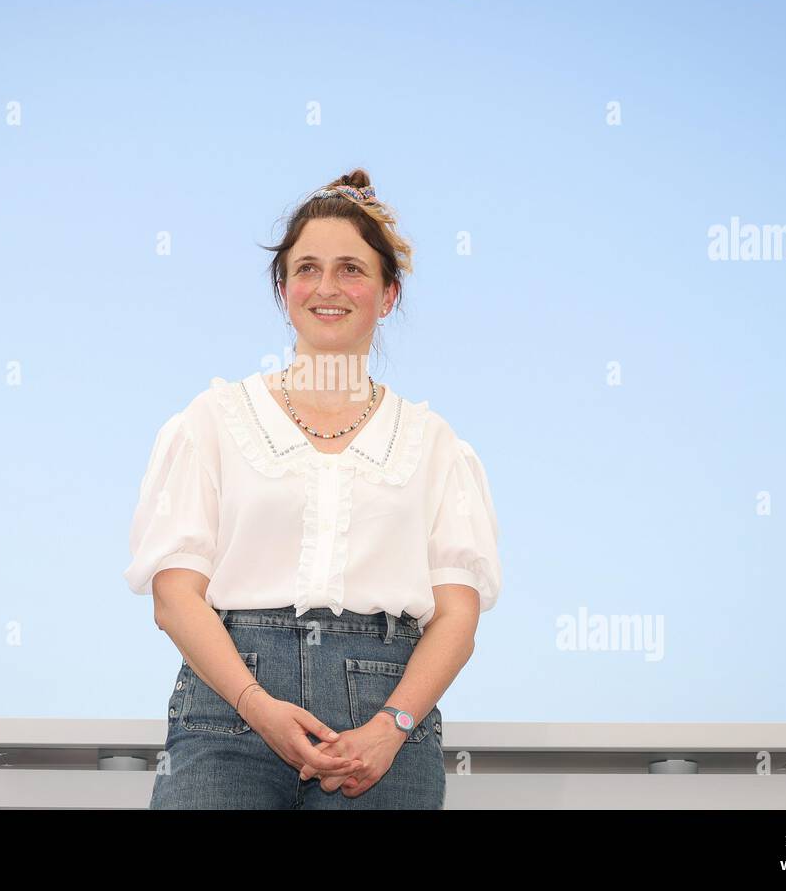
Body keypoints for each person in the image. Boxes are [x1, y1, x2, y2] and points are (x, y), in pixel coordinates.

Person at [123, 168, 502, 809]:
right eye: (307, 269)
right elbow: (174, 594)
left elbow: (457, 616)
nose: (327, 288)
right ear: (283, 289)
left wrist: (392, 728)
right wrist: (257, 705)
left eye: (352, 268)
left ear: (389, 294)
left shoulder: (434, 443)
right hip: (228, 710)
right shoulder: (213, 422)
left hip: (385, 713)